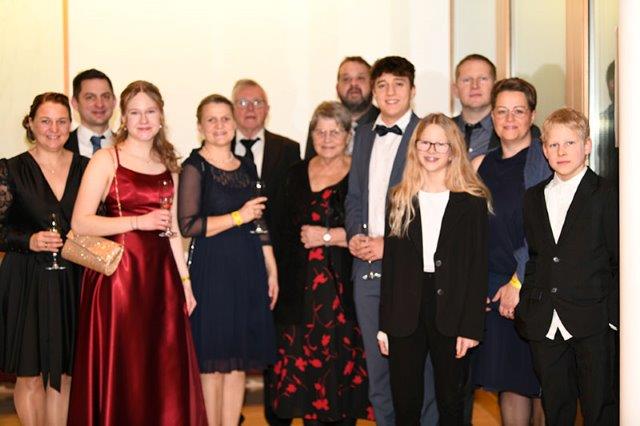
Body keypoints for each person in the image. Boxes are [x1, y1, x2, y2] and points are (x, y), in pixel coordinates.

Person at [68, 81, 207, 425]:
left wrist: (185, 283)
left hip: (162, 282)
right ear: (123, 118)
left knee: (161, 368)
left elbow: (173, 232)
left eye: (150, 111)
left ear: (161, 117)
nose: (143, 119)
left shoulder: (168, 165)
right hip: (118, 281)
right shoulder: (106, 159)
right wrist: (137, 222)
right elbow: (80, 222)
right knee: (124, 366)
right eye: (135, 112)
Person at [378, 113, 490, 425]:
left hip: (453, 311)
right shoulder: (399, 198)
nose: (431, 150)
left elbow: (477, 268)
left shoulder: (472, 202)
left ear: (453, 151)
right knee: (406, 405)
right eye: (425, 142)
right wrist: (384, 323)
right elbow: (391, 266)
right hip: (404, 311)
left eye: (440, 144)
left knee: (452, 405)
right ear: (414, 148)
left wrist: (471, 328)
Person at [345, 55, 438, 426]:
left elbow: (435, 205)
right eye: (382, 85)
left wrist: (391, 245)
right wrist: (354, 234)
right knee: (377, 366)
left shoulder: (429, 136)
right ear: (373, 91)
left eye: (399, 84)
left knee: (420, 367)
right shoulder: (364, 135)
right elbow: (354, 196)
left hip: (413, 268)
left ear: (412, 90)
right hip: (366, 266)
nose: (390, 92)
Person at [178, 94, 278, 426]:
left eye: (225, 118)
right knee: (213, 362)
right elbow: (188, 225)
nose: (219, 126)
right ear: (200, 127)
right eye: (212, 119)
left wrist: (271, 266)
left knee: (238, 362)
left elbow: (258, 218)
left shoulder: (246, 165)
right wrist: (238, 216)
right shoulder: (194, 167)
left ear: (234, 123)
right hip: (212, 270)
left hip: (248, 268)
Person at [270, 102, 372, 425]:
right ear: (312, 134)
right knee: (303, 382)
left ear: (348, 136)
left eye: (335, 132)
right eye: (320, 131)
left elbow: (372, 229)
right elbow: (279, 231)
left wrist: (328, 236)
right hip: (298, 294)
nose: (327, 139)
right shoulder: (294, 174)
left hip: (342, 294)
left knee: (340, 376)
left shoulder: (361, 173)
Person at [516, 107, 618, 424]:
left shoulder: (608, 194)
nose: (561, 152)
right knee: (556, 407)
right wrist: (527, 305)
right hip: (545, 320)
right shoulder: (533, 197)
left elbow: (618, 261)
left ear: (587, 146)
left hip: (594, 321)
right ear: (544, 150)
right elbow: (537, 257)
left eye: (570, 143)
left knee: (599, 407)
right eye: (554, 145)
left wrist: (613, 320)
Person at [0, 92, 89, 426]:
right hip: (26, 280)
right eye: (46, 121)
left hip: (72, 279)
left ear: (70, 124)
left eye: (62, 121)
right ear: (31, 124)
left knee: (65, 372)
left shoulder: (86, 167)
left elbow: (100, 220)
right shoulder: (10, 168)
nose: (54, 129)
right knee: (30, 374)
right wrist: (29, 240)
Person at [471, 77, 551, 425]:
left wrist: (517, 283)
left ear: (532, 115)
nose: (509, 118)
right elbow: (469, 234)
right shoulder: (479, 165)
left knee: (542, 385)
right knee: (510, 385)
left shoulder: (547, 161)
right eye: (502, 111)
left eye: (518, 111)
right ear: (491, 116)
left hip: (533, 287)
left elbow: (547, 232)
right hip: (493, 289)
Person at [230, 79, 299, 426]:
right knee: (232, 342)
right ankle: (231, 415)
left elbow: (294, 209)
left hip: (279, 264)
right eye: (243, 102)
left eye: (257, 102)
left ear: (267, 109)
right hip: (230, 263)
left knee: (275, 343)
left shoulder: (289, 150)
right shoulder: (214, 149)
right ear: (232, 109)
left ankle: (277, 416)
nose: (250, 109)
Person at [305, 57, 380, 159]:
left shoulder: (385, 125)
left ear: (372, 85)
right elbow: (311, 164)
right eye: (346, 79)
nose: (353, 84)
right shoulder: (320, 124)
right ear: (337, 88)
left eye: (360, 78)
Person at [452, 54, 499, 159]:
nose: (475, 86)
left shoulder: (512, 130)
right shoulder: (441, 130)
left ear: (495, 87)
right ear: (455, 89)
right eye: (467, 80)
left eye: (483, 79)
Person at [65, 69, 117, 157]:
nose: (99, 104)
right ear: (75, 103)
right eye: (90, 97)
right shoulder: (61, 145)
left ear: (114, 101)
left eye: (105, 96)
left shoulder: (128, 146)